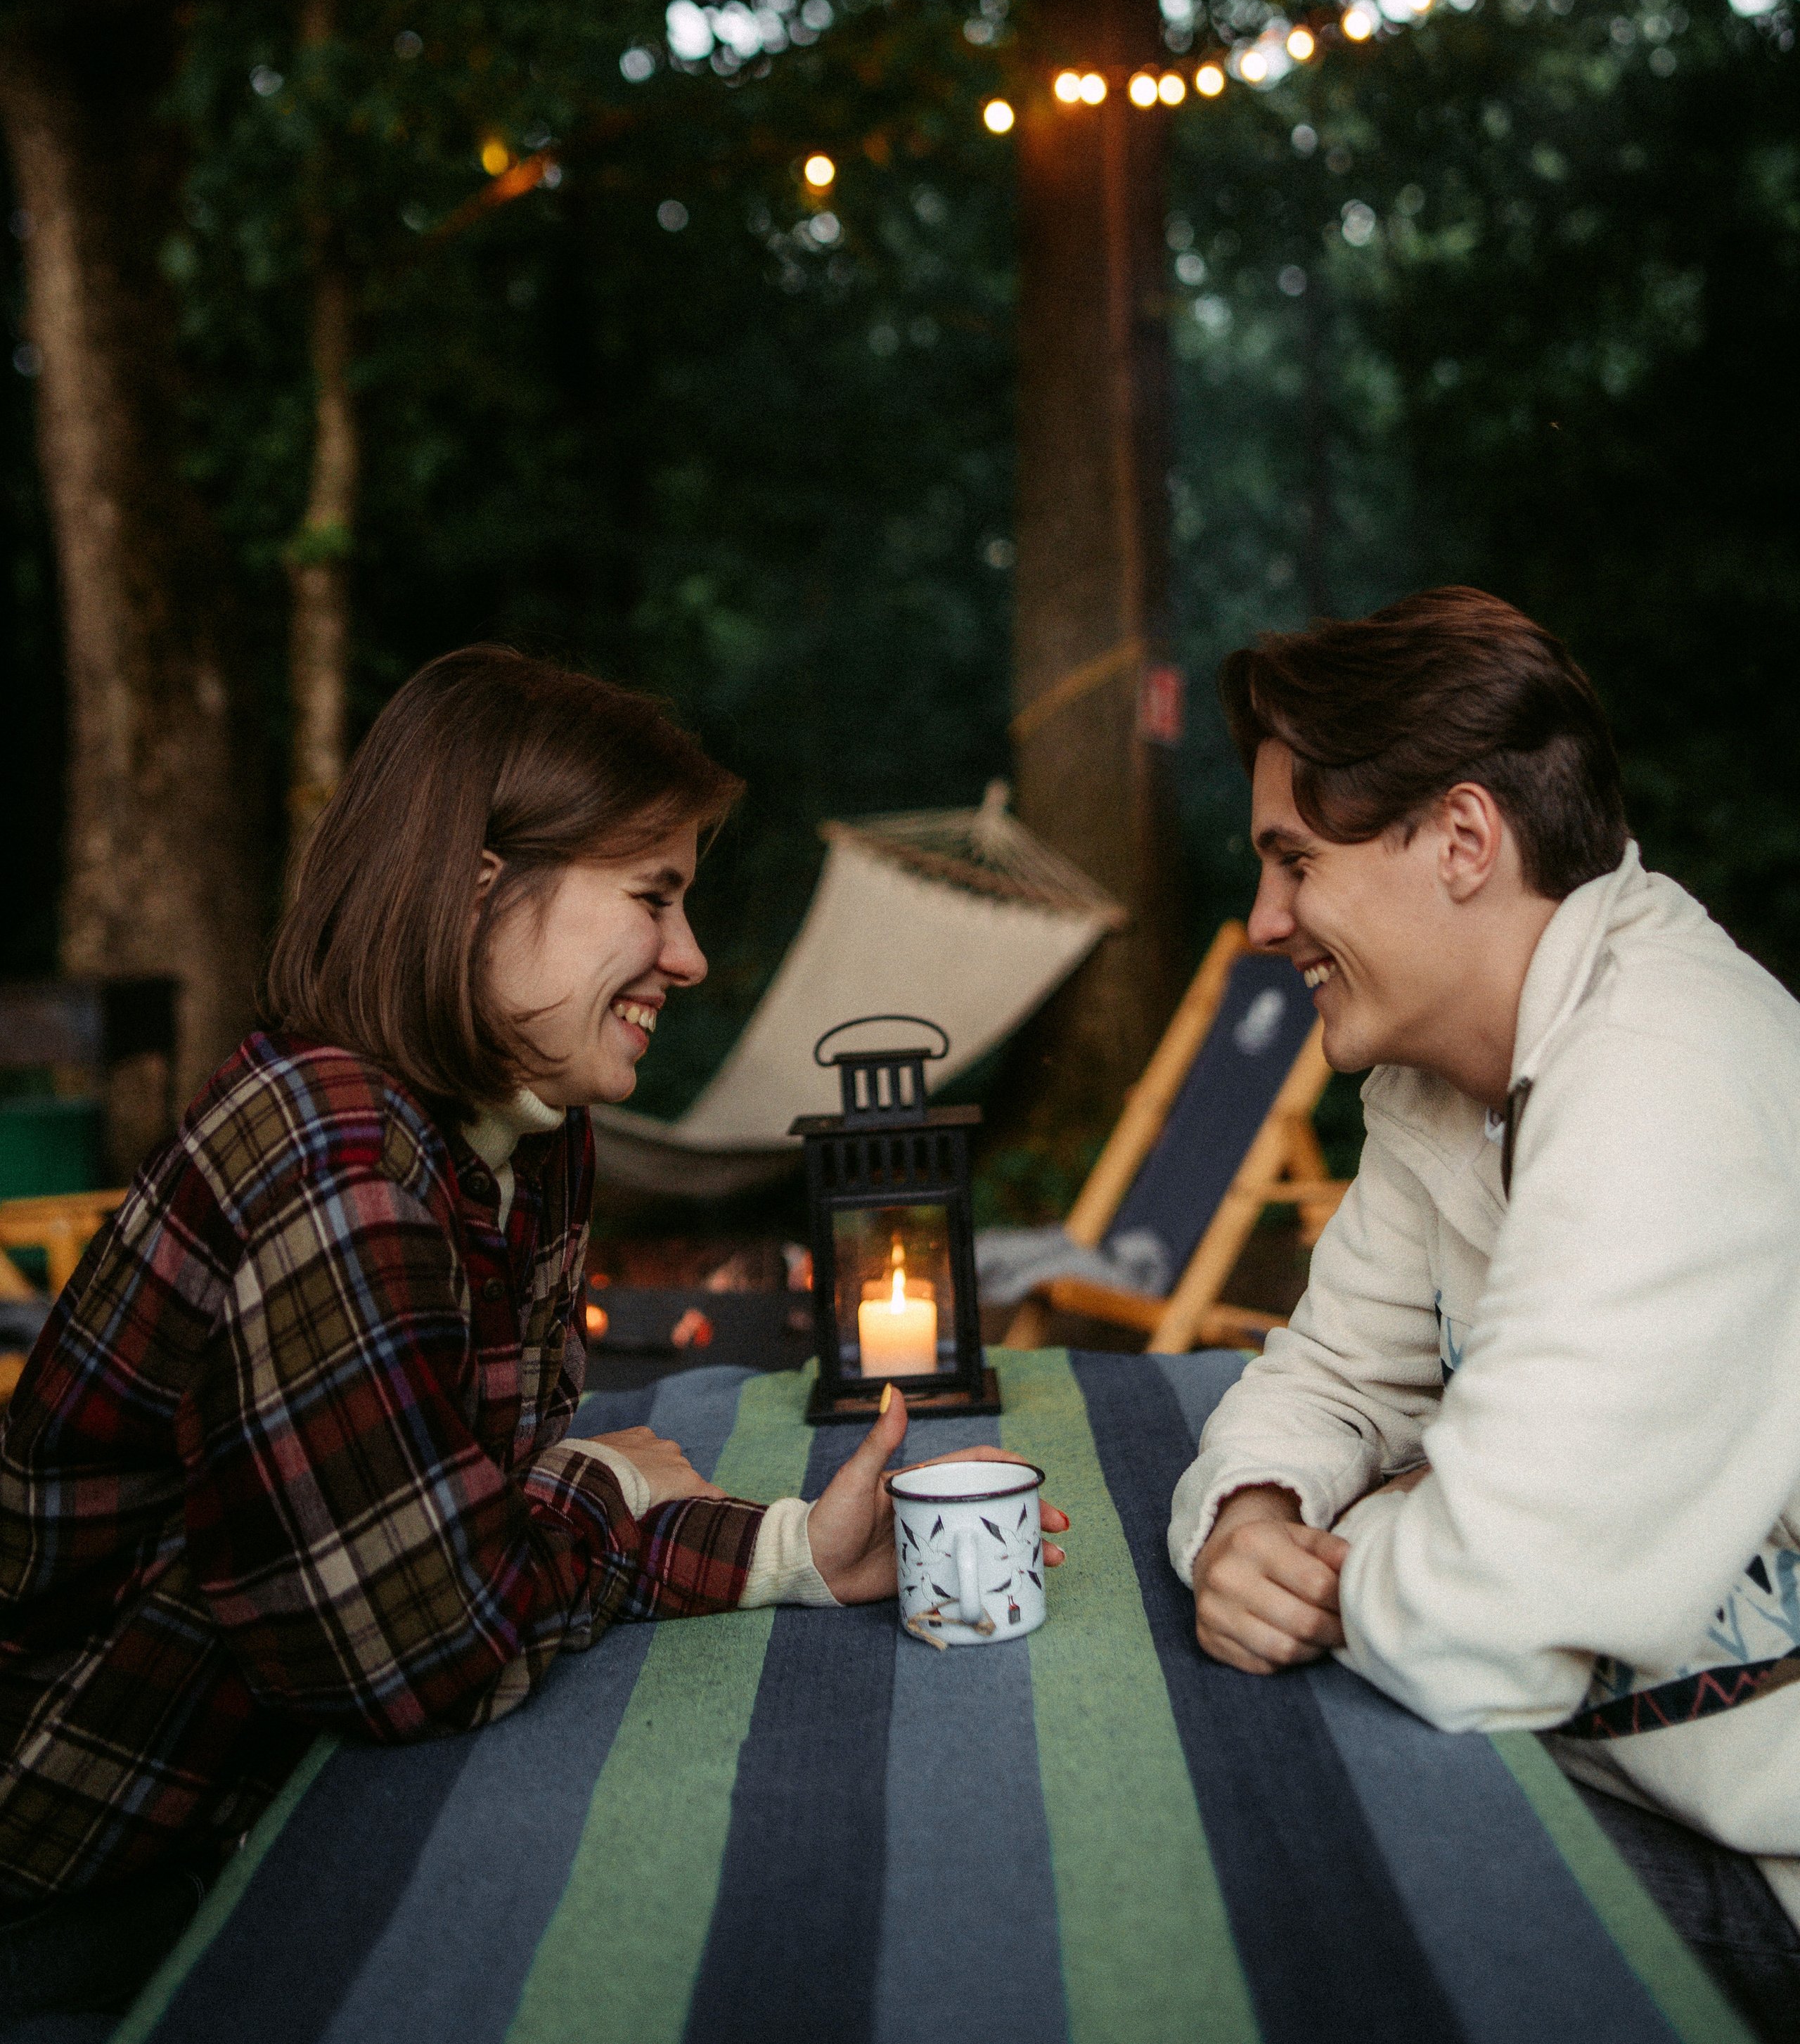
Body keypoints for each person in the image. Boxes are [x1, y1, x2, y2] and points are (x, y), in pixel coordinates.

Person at [0, 647, 1065, 2017]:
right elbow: (425, 1662)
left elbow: (480, 1546)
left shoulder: (530, 1132)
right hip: (77, 1879)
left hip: (243, 1822)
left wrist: (796, 1547)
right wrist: (604, 1482)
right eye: (652, 898)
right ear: (477, 886)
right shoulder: (335, 1162)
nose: (687, 956)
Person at [1168, 588, 1800, 2037]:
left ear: (1459, 840)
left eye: (1291, 861)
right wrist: (1255, 1506)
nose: (1262, 923)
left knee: (1247, 1926)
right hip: (1602, 1768)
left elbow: (1467, 1628)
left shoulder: (1662, 1080)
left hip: (1757, 1864)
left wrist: (1378, 1520)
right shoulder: (1442, 1078)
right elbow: (1326, 1371)